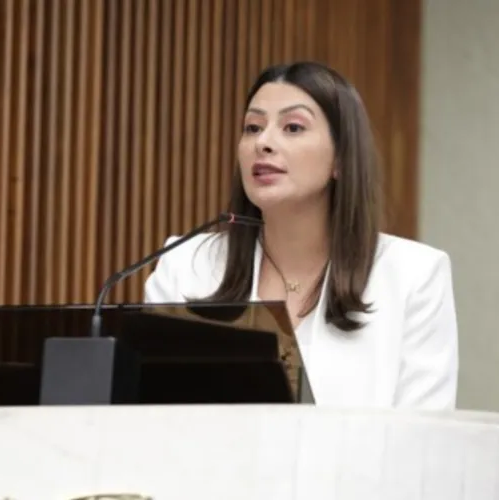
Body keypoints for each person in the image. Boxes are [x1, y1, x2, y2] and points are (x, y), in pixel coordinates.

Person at [143, 61, 458, 410]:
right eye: (252, 127)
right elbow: (154, 418)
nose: (263, 142)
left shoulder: (414, 276)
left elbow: (424, 439)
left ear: (340, 158)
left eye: (292, 127)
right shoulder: (185, 264)